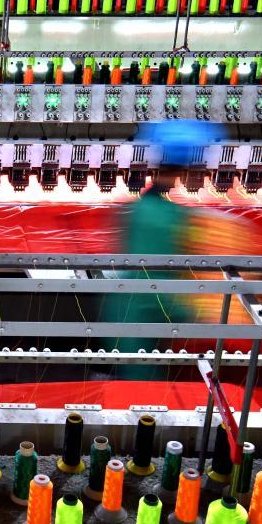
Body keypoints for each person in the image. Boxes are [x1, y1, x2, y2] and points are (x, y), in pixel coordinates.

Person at [102, 120, 226, 379]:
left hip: (127, 307)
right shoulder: (175, 218)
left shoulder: (137, 210)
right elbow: (168, 276)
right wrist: (194, 312)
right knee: (142, 387)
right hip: (146, 311)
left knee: (132, 378)